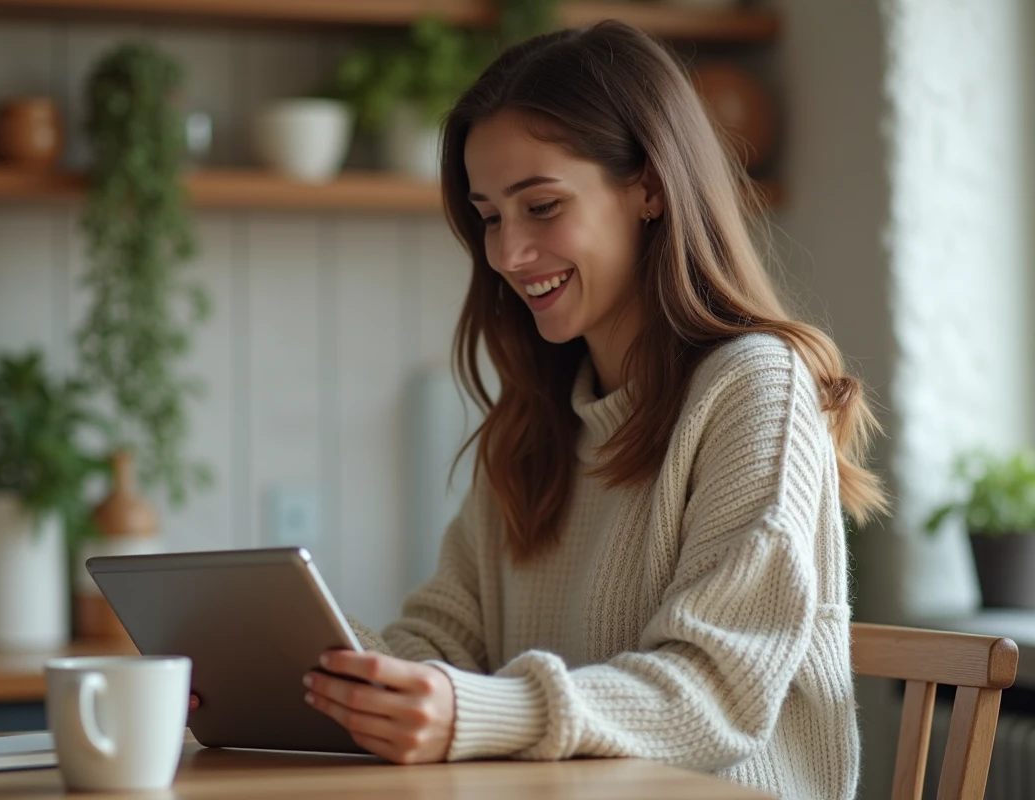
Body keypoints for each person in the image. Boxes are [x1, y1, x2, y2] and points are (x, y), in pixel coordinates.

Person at [196, 20, 887, 799]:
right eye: (490, 216)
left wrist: (486, 711)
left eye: (542, 206)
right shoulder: (539, 420)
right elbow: (445, 644)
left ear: (651, 188)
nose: (508, 253)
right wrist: (298, 667)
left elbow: (718, 691)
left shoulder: (755, 387)